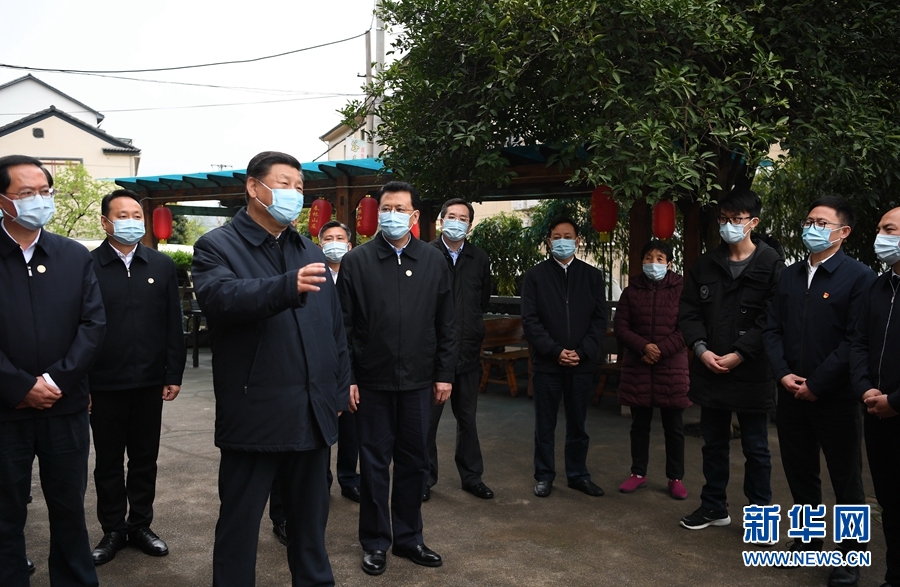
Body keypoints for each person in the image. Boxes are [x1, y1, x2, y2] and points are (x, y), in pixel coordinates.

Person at [192, 151, 351, 587]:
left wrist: (338, 389)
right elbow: (221, 299)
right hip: (255, 412)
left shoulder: (309, 249)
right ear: (254, 187)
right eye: (284, 184)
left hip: (312, 412)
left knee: (311, 526)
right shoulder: (217, 246)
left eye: (299, 187)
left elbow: (334, 330)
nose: (294, 194)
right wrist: (285, 287)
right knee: (240, 525)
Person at [338, 181, 456, 576]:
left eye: (400, 209)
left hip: (420, 382)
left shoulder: (433, 261)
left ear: (415, 216)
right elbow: (343, 327)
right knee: (373, 465)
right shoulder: (357, 261)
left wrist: (444, 374)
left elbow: (447, 323)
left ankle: (409, 538)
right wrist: (348, 378)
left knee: (414, 462)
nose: (392, 215)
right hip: (371, 382)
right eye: (386, 208)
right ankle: (375, 543)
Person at [0, 155, 106, 586]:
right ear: (3, 200)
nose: (39, 200)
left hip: (64, 405)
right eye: (26, 193)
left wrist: (56, 379)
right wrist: (18, 385)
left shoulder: (73, 255)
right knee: (5, 512)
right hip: (5, 409)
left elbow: (93, 324)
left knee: (68, 508)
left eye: (45, 191)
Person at [763, 196, 874, 586]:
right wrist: (783, 374)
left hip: (836, 397)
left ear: (844, 232)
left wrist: (817, 383)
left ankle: (850, 554)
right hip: (791, 393)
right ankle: (807, 540)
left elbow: (855, 340)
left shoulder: (859, 277)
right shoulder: (790, 275)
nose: (812, 228)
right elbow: (772, 329)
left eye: (822, 223)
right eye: (809, 221)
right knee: (800, 473)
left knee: (846, 478)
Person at [88, 189, 187, 565]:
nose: (131, 222)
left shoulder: (160, 265)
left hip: (149, 381)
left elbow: (173, 322)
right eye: (122, 215)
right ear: (105, 222)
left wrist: (173, 372)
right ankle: (113, 528)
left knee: (145, 460)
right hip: (104, 383)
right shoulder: (87, 266)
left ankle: (141, 524)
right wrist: (82, 383)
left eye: (136, 215)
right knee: (108, 462)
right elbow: (77, 326)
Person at [678, 188, 784, 531]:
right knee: (713, 445)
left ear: (753, 222)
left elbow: (772, 318)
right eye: (723, 219)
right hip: (711, 369)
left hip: (752, 372)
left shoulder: (771, 264)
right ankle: (713, 507)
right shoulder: (706, 264)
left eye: (735, 219)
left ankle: (761, 517)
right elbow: (689, 311)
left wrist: (740, 354)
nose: (728, 225)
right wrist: (701, 349)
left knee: (756, 449)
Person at [521, 216, 607, 498]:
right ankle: (544, 475)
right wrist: (555, 351)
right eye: (556, 237)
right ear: (548, 241)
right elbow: (530, 320)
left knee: (578, 424)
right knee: (545, 424)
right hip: (547, 363)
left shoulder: (592, 276)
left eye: (567, 236)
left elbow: (599, 320)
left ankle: (578, 475)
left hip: (581, 364)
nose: (562, 241)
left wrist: (581, 352)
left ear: (577, 241)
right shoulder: (535, 276)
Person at [425, 198, 494, 501]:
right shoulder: (426, 254)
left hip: (467, 352)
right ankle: (424, 479)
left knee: (467, 420)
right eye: (451, 216)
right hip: (432, 355)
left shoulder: (479, 258)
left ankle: (472, 477)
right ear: (441, 221)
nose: (456, 222)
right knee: (427, 423)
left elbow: (483, 300)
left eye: (462, 218)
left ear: (470, 225)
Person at [614, 239, 690, 500]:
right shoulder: (631, 291)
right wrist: (644, 347)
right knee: (639, 426)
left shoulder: (682, 290)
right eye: (648, 257)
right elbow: (621, 327)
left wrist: (660, 350)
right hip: (639, 366)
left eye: (659, 258)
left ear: (669, 264)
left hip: (671, 368)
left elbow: (687, 328)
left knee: (674, 428)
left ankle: (675, 478)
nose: (653, 263)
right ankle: (638, 473)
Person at [850, 206, 900, 587]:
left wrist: (895, 402)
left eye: (890, 229)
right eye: (881, 228)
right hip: (876, 413)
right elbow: (859, 343)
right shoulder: (877, 287)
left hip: (895, 408)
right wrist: (865, 388)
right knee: (890, 502)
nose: (880, 236)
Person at [319, 220, 361, 503]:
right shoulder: (313, 274)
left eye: (339, 238)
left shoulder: (359, 274)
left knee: (351, 427)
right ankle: (321, 481)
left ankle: (349, 478)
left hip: (352, 362)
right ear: (320, 244)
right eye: (328, 238)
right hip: (321, 363)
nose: (334, 243)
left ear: (349, 245)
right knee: (322, 426)